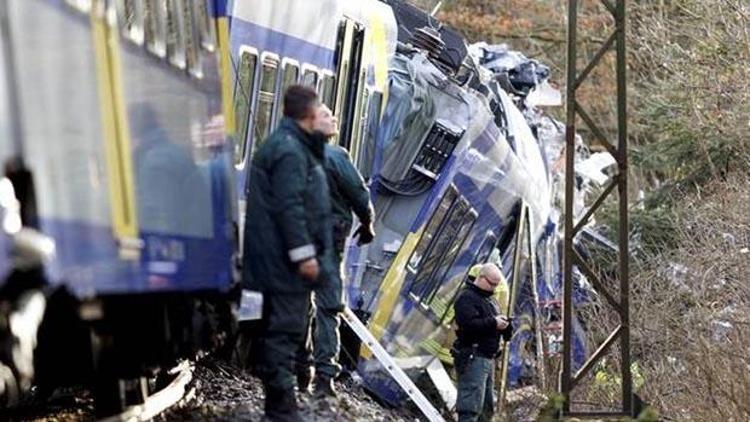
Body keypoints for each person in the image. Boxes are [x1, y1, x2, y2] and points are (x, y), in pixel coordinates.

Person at [243, 85, 333, 421]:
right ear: (309, 115)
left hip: (277, 261)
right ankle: (281, 411)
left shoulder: (290, 146)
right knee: (283, 336)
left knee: (282, 334)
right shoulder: (291, 151)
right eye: (321, 109)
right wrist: (304, 256)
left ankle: (281, 408)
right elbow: (290, 206)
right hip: (283, 266)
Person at [296, 105, 375, 397]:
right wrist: (368, 224)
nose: (335, 119)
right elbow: (359, 195)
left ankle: (302, 369)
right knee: (329, 308)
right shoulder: (336, 156)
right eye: (328, 117)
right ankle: (325, 378)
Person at [452, 263, 513, 422]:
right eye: (491, 283)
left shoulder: (490, 301)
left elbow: (492, 325)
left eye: (496, 285)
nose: (493, 288)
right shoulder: (467, 298)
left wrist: (505, 327)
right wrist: (494, 322)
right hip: (473, 355)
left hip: (487, 357)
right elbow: (469, 325)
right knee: (470, 406)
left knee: (486, 407)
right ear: (480, 277)